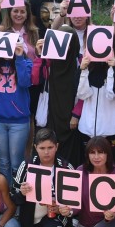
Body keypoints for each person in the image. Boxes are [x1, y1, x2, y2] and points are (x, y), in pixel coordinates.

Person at [13, 128, 77, 227]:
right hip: (30, 217)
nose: (46, 152)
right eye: (42, 148)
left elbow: (74, 203)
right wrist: (22, 192)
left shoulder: (66, 167)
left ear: (57, 146)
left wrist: (62, 208)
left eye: (50, 147)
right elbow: (13, 198)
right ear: (35, 148)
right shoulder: (26, 166)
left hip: (55, 217)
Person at [0, 34, 33, 187]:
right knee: (3, 162)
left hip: (19, 121)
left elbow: (25, 81)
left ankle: (18, 197)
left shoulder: (25, 62)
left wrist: (19, 58)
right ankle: (6, 197)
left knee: (17, 163)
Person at [39, 24, 83, 167]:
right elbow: (34, 78)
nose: (66, 48)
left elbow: (85, 92)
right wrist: (41, 56)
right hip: (53, 115)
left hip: (72, 119)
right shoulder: (49, 61)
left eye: (70, 44)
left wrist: (76, 115)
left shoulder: (81, 62)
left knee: (72, 156)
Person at [75, 52, 115, 158]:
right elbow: (81, 93)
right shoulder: (87, 66)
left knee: (110, 167)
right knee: (87, 166)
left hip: (112, 131)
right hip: (86, 129)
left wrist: (114, 68)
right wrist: (82, 70)